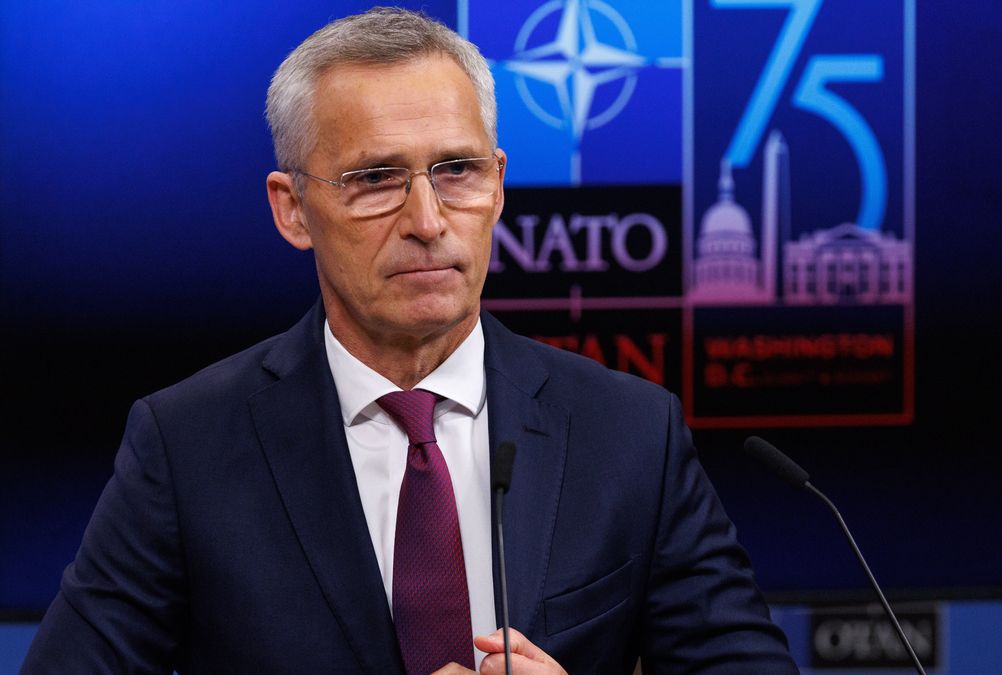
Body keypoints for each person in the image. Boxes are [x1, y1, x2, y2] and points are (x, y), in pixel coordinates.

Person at [22, 7, 798, 674]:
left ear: (498, 183)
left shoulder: (629, 432)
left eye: (456, 170)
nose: (427, 221)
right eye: (375, 179)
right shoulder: (186, 446)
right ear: (292, 209)